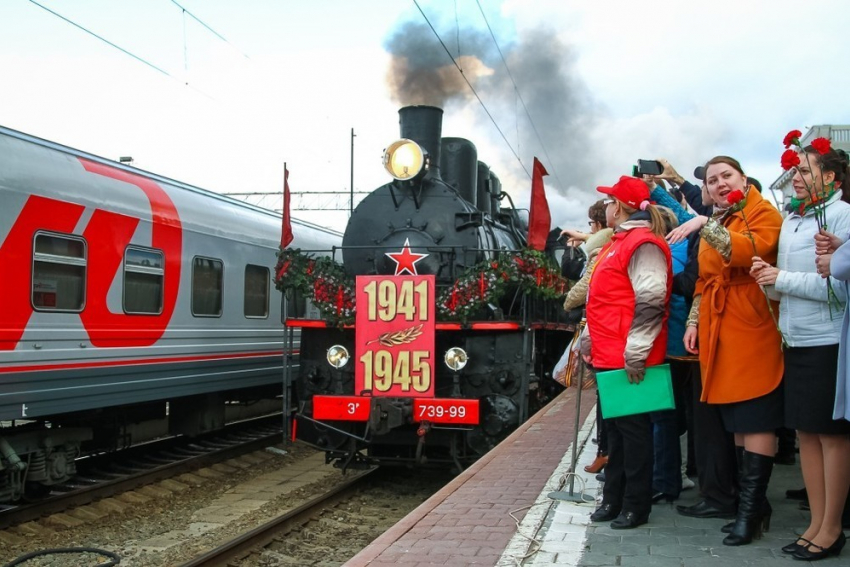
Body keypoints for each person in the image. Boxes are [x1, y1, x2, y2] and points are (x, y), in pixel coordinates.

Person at [674, 156, 784, 546]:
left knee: (754, 416)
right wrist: (692, 324)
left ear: (742, 177)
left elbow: (753, 250)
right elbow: (705, 280)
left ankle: (751, 511)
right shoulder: (720, 218)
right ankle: (751, 508)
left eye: (726, 176)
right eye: (712, 180)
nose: (719, 184)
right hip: (718, 329)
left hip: (751, 324)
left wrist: (707, 224)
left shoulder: (761, 211)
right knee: (736, 419)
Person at [582, 175, 672, 530]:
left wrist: (636, 351)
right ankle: (614, 498)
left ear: (618, 206)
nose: (605, 206)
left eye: (608, 201)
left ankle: (636, 505)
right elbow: (602, 299)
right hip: (610, 352)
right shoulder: (620, 242)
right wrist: (590, 338)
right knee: (616, 432)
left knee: (633, 433)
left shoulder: (642, 244)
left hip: (629, 356)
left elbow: (652, 301)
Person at [773, 145, 850, 560]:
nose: (795, 177)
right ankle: (815, 523)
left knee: (832, 436)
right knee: (806, 434)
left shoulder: (842, 216)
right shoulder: (793, 220)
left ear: (831, 179)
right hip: (797, 338)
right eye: (793, 172)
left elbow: (839, 288)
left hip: (829, 339)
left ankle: (832, 528)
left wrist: (780, 279)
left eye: (804, 170)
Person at [561, 200, 614, 475]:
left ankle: (608, 453)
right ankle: (607, 451)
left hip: (607, 331)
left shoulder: (606, 248)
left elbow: (585, 284)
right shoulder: (608, 244)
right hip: (609, 331)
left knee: (612, 401)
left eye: (591, 225)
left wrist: (568, 301)